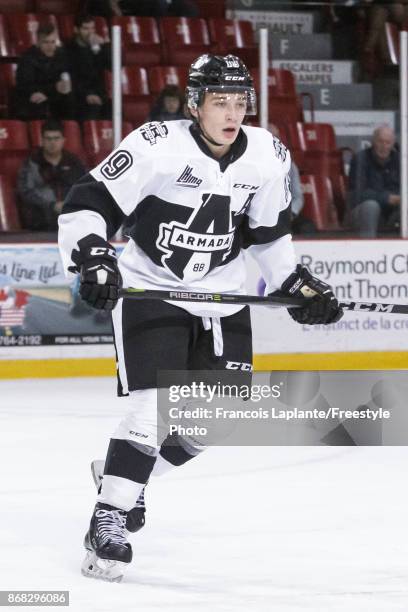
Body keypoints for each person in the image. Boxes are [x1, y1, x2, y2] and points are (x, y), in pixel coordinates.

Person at [58, 54, 343, 582]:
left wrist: (296, 286)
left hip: (222, 298)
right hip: (151, 289)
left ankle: (120, 476)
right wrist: (94, 254)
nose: (232, 113)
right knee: (153, 409)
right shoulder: (156, 145)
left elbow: (269, 238)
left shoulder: (266, 155)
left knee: (210, 425)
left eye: (240, 103)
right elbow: (86, 202)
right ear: (195, 104)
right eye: (220, 102)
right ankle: (108, 519)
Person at [17, 120, 86, 231]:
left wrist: (68, 205)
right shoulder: (32, 162)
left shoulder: (74, 162)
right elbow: (25, 191)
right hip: (40, 222)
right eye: (48, 139)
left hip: (71, 220)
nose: (52, 143)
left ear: (63, 140)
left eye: (56, 138)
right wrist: (52, 205)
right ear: (42, 140)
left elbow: (83, 188)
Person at [348, 124, 400, 238]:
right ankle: (368, 251)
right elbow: (357, 194)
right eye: (380, 141)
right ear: (373, 141)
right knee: (371, 206)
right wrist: (387, 198)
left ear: (393, 144)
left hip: (391, 213)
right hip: (361, 211)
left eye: (388, 142)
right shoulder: (360, 158)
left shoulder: (400, 160)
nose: (384, 146)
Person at [15, 23, 75, 120]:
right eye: (46, 42)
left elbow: (67, 77)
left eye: (53, 42)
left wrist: (63, 87)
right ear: (38, 42)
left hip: (54, 95)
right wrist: (52, 88)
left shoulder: (61, 55)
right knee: (38, 101)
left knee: (71, 100)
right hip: (33, 96)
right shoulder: (28, 58)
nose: (50, 46)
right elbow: (25, 85)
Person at [65, 14, 111, 120]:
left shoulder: (98, 48)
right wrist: (87, 94)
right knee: (91, 109)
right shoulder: (68, 49)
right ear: (76, 30)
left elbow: (111, 66)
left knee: (113, 109)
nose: (90, 32)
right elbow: (71, 77)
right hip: (77, 95)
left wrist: (105, 46)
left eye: (92, 28)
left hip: (98, 94)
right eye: (86, 29)